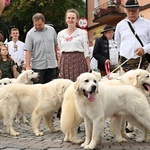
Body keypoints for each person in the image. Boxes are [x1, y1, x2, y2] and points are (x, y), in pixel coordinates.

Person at [115, 0, 150, 72]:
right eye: (129, 11)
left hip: (144, 61)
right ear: (126, 11)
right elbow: (117, 42)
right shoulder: (120, 25)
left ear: (138, 10)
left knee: (144, 82)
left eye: (133, 11)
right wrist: (124, 52)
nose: (131, 13)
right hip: (125, 62)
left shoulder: (147, 24)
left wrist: (144, 49)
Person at [57, 8, 91, 82]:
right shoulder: (60, 34)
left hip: (78, 60)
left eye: (73, 18)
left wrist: (88, 65)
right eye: (68, 18)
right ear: (66, 19)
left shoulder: (82, 33)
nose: (70, 20)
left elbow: (86, 50)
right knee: (65, 84)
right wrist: (59, 63)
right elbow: (59, 51)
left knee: (79, 83)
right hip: (65, 61)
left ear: (77, 20)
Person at [24, 13, 58, 84]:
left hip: (52, 65)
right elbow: (28, 51)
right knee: (38, 91)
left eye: (39, 25)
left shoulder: (52, 30)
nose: (37, 26)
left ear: (44, 22)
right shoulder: (30, 34)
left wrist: (58, 59)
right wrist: (27, 66)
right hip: (38, 67)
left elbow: (56, 45)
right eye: (35, 25)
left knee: (51, 89)